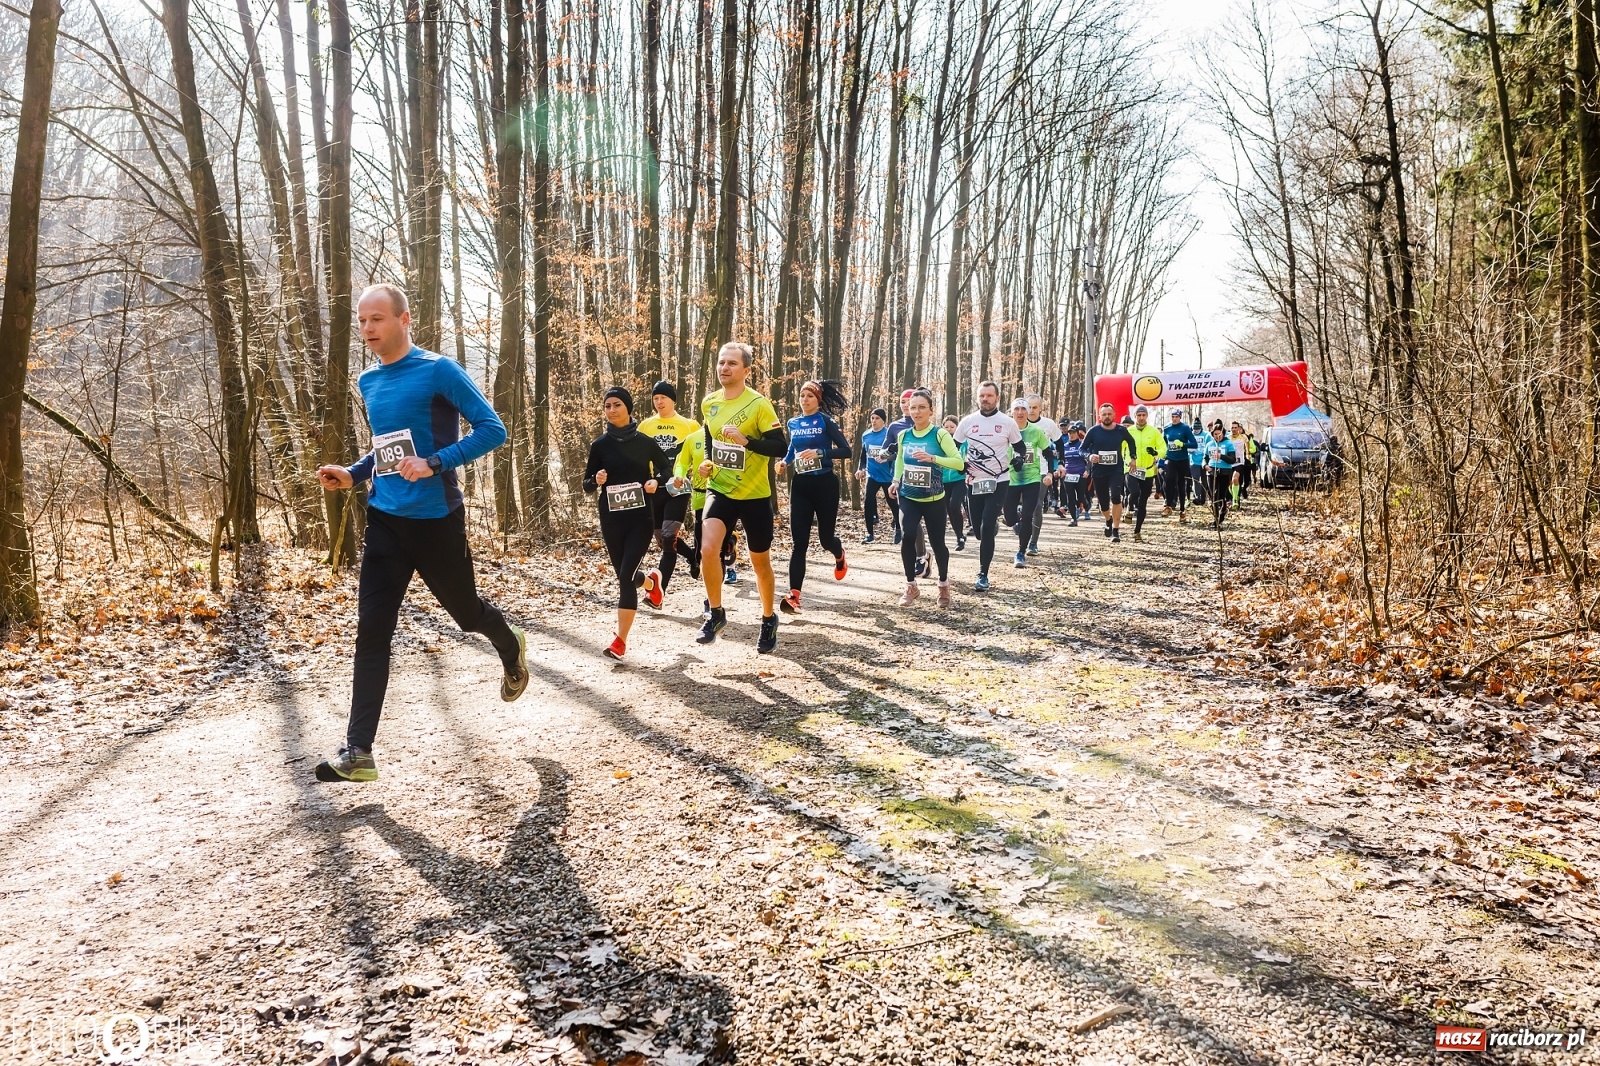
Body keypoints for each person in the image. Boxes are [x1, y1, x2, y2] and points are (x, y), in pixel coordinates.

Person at [313, 283, 527, 784]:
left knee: (466, 613)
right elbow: (386, 449)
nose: (367, 329)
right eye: (362, 320)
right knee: (373, 630)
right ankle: (358, 750)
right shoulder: (368, 381)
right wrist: (354, 472)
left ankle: (509, 643)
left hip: (435, 521)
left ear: (405, 320)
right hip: (385, 520)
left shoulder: (438, 371)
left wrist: (434, 463)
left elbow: (492, 430)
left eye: (378, 319)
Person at [696, 342, 787, 651]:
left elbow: (780, 446)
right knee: (708, 547)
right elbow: (710, 437)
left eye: (732, 363)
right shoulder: (709, 402)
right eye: (722, 362)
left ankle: (768, 618)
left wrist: (747, 441)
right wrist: (708, 462)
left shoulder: (759, 405)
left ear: (746, 370)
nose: (725, 368)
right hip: (720, 488)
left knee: (760, 562)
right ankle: (716, 613)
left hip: (755, 494)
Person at [583, 388, 673, 661]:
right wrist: (596, 480)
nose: (611, 410)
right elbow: (587, 484)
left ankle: (620, 641)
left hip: (640, 518)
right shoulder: (599, 446)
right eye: (607, 405)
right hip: (612, 519)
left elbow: (666, 469)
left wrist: (656, 481)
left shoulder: (645, 442)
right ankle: (651, 583)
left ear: (629, 408)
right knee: (626, 574)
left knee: (624, 577)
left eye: (617, 405)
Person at [775, 379, 852, 614]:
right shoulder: (793, 423)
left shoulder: (825, 421)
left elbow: (846, 450)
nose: (805, 399)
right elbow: (793, 449)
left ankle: (839, 555)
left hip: (826, 484)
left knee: (826, 539)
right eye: (802, 395)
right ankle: (794, 596)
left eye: (810, 396)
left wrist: (821, 452)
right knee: (799, 543)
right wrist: (785, 462)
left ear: (818, 400)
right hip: (801, 485)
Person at [887, 389, 964, 607]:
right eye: (913, 407)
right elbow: (901, 459)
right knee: (908, 535)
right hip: (909, 497)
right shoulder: (904, 435)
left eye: (922, 407)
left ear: (931, 410)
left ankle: (943, 585)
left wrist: (933, 458)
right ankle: (911, 586)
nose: (917, 411)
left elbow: (958, 463)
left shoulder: (939, 434)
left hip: (934, 500)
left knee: (938, 544)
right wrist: (895, 480)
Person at [953, 381, 1025, 591]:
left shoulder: (1007, 423)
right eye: (982, 395)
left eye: (989, 396)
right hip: (973, 481)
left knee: (986, 523)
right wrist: (959, 463)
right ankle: (988, 528)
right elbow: (953, 447)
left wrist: (1019, 459)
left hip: (999, 480)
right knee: (978, 530)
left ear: (997, 398)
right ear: (978, 398)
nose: (985, 399)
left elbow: (1020, 449)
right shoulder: (967, 422)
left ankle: (983, 574)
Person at [635, 381, 700, 608]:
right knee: (663, 540)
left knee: (669, 537)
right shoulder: (645, 425)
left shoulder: (689, 425)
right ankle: (692, 556)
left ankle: (657, 593)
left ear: (673, 400)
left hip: (678, 488)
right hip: (654, 490)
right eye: (655, 398)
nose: (659, 402)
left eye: (663, 397)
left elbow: (699, 451)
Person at [1004, 398, 1056, 566]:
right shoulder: (1005, 430)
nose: (1020, 412)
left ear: (1028, 412)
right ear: (1011, 412)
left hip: (1032, 479)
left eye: (1023, 409)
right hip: (1009, 480)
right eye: (1016, 409)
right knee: (1010, 518)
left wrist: (1049, 473)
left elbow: (1049, 452)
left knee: (1028, 515)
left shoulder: (1035, 431)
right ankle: (1016, 522)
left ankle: (1020, 553)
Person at [1080, 402, 1138, 543]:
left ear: (1114, 415)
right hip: (1099, 471)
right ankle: (1108, 519)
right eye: (1104, 414)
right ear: (1100, 416)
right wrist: (1089, 457)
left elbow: (1131, 442)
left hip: (1116, 469)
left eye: (1109, 414)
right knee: (1104, 503)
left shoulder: (1121, 430)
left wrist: (1133, 458)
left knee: (1116, 497)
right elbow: (1082, 449)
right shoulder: (1093, 431)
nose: (1107, 416)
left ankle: (1116, 530)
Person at [884, 390, 924, 567]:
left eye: (909, 401)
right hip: (902, 478)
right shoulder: (894, 426)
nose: (905, 404)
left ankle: (922, 555)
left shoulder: (925, 423)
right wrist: (891, 452)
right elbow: (885, 453)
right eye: (902, 401)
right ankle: (920, 556)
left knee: (919, 519)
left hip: (924, 477)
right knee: (911, 520)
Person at [1025, 394, 1064, 554]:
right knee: (1014, 505)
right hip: (1020, 471)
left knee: (1037, 505)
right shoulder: (1017, 423)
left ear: (1041, 408)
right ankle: (1017, 524)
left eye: (1035, 407)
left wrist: (1061, 463)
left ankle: (1033, 543)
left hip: (1042, 470)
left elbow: (1061, 444)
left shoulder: (1048, 424)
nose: (1032, 411)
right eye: (1029, 407)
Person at [854, 408, 898, 544]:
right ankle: (869, 534)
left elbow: (896, 454)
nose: (874, 421)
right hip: (872, 474)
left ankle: (898, 527)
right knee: (868, 501)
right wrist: (860, 469)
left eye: (877, 418)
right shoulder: (866, 435)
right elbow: (863, 456)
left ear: (884, 421)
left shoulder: (888, 435)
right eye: (872, 418)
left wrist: (887, 458)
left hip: (887, 476)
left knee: (892, 503)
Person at [1123, 405, 1164, 543]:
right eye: (1138, 415)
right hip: (1131, 469)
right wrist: (1126, 462)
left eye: (1143, 415)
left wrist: (1156, 453)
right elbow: (1119, 448)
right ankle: (1128, 509)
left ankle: (1137, 531)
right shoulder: (1129, 431)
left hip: (1147, 470)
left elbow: (1163, 448)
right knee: (1134, 493)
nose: (1141, 418)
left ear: (1147, 416)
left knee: (1143, 503)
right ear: (1135, 417)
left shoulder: (1153, 432)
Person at [1162, 407, 1197, 524]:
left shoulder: (1185, 428)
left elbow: (1194, 444)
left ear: (1180, 417)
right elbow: (1163, 444)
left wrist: (1183, 444)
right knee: (1168, 479)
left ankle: (1182, 510)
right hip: (1171, 459)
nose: (1174, 419)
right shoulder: (1166, 429)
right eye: (1173, 417)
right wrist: (1162, 455)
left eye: (1176, 417)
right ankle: (1168, 505)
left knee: (1181, 485)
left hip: (1182, 460)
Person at [940, 414, 970, 551]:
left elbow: (970, 456)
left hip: (959, 479)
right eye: (946, 427)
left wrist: (966, 467)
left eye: (952, 427)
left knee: (954, 504)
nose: (949, 429)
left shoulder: (964, 442)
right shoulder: (939, 442)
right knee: (950, 509)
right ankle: (960, 536)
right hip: (944, 480)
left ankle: (960, 535)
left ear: (957, 428)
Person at [1202, 422, 1239, 528]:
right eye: (1215, 434)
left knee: (1221, 495)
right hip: (1211, 471)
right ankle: (1216, 519)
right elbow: (1204, 458)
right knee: (1213, 495)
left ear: (1223, 433)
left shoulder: (1228, 444)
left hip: (1225, 472)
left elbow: (1232, 460)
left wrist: (1221, 456)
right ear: (1212, 434)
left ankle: (1223, 510)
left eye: (1219, 434)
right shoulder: (1209, 444)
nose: (1217, 436)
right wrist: (1205, 466)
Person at [1057, 421, 1090, 523]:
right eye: (1070, 433)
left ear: (1077, 433)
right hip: (1068, 475)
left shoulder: (1082, 445)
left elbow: (1089, 460)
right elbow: (1060, 460)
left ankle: (1086, 507)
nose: (1071, 435)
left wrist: (1087, 470)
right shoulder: (1064, 446)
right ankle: (1073, 519)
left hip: (1080, 474)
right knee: (1070, 497)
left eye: (1073, 433)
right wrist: (1059, 469)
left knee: (1081, 496)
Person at [1229, 421, 1250, 506]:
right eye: (1232, 428)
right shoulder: (1227, 438)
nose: (1234, 429)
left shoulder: (1243, 437)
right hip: (1229, 463)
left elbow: (1247, 445)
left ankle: (1234, 501)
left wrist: (1248, 454)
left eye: (1235, 427)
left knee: (1235, 479)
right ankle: (1235, 496)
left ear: (1239, 428)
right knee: (1229, 484)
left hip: (1239, 462)